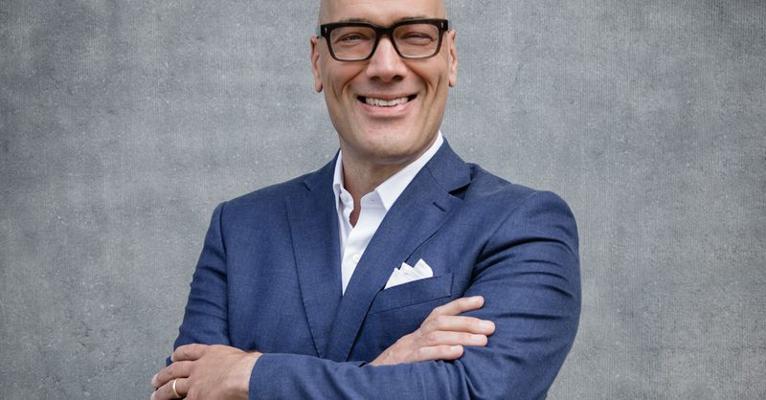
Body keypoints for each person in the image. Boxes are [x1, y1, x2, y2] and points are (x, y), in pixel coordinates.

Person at [150, 0, 580, 398]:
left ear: (450, 56)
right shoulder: (239, 227)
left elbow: (472, 392)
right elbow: (184, 391)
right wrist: (384, 368)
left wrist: (250, 375)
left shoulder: (524, 225)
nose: (386, 67)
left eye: (415, 35)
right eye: (354, 37)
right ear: (318, 62)